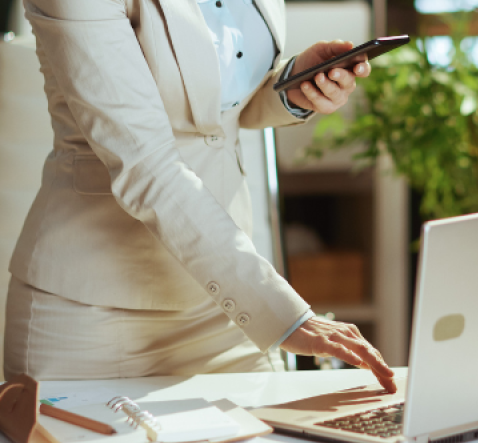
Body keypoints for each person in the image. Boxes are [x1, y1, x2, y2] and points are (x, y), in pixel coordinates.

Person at [3, 0, 396, 393]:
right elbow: (146, 166)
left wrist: (291, 89)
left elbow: (217, 113)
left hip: (220, 302)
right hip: (95, 316)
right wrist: (281, 315)